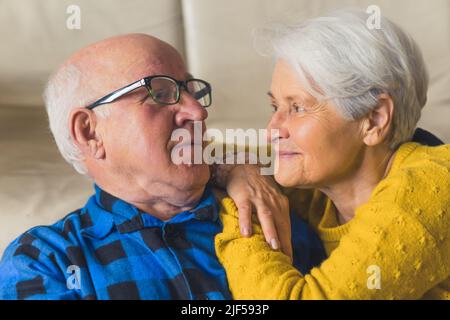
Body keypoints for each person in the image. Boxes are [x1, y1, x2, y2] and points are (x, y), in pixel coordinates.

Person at [0, 34, 324, 300]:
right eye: (161, 93)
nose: (197, 112)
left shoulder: (271, 213)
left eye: (192, 92)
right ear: (89, 132)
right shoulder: (46, 260)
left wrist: (239, 167)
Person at [215, 9, 450, 299]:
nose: (271, 130)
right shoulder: (321, 188)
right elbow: (224, 157)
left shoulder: (428, 190)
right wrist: (241, 173)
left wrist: (243, 215)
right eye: (275, 107)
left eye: (297, 108)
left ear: (374, 120)